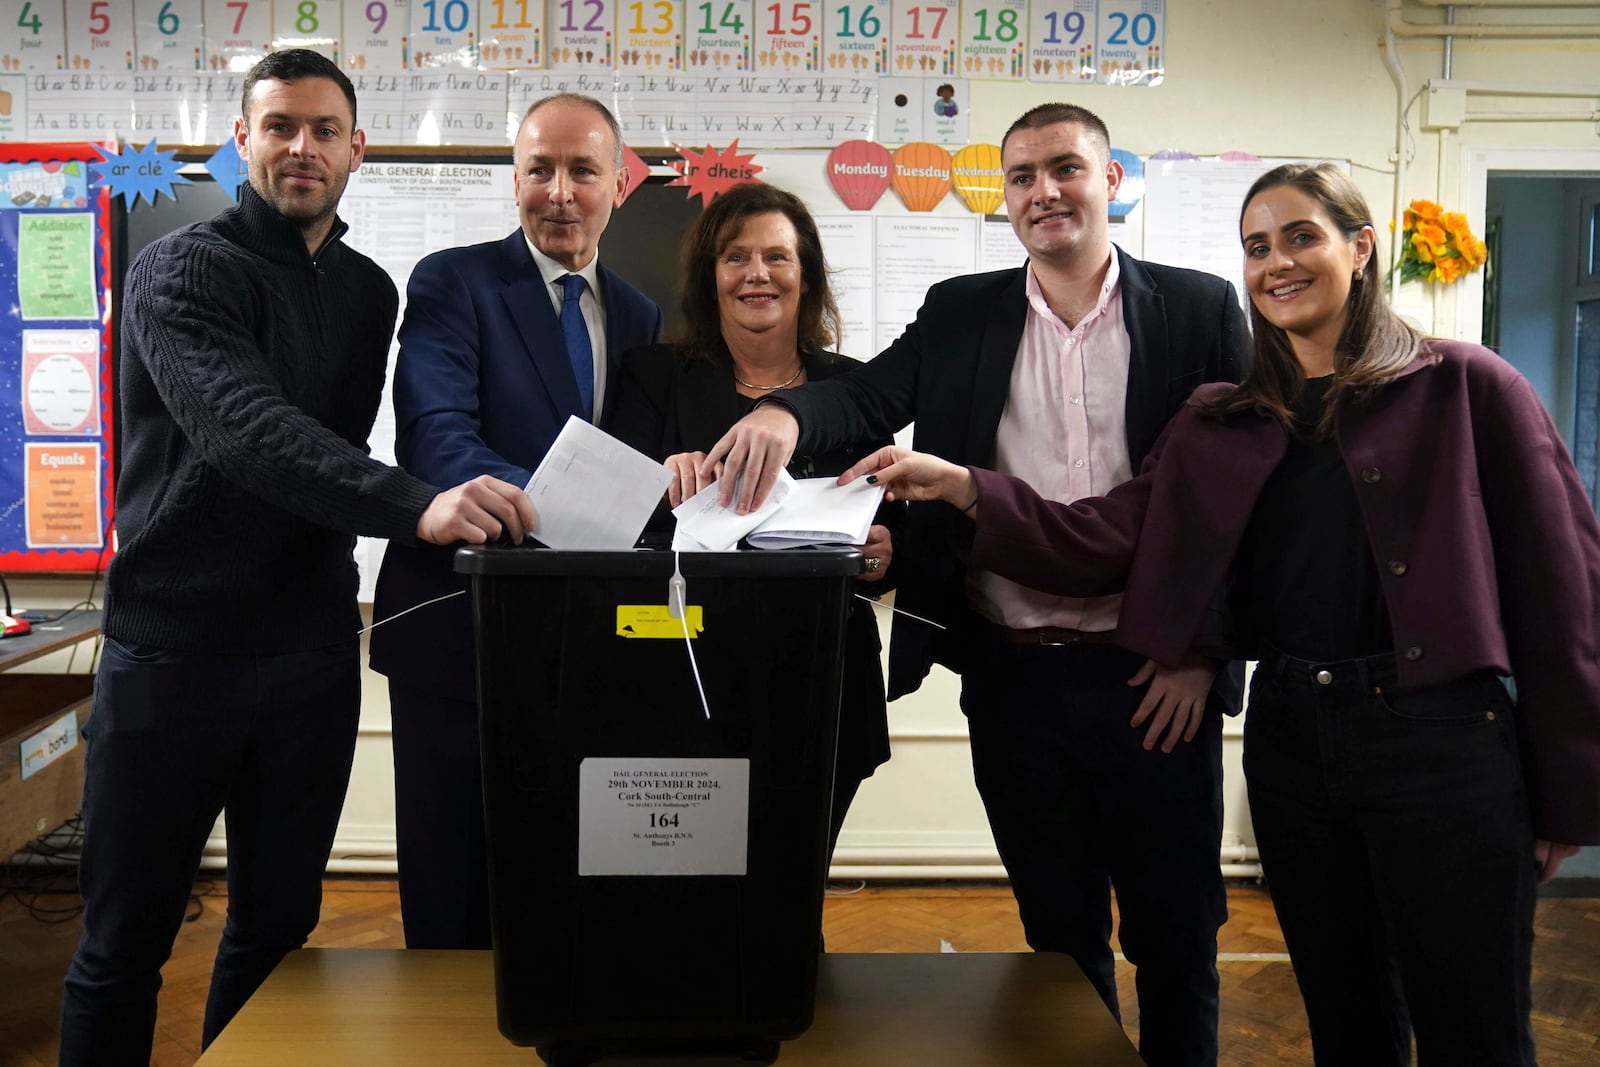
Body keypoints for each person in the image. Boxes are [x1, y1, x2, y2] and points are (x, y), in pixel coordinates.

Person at [847, 162, 1600, 1066]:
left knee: (1473, 1027)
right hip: (1293, 747)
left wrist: (1566, 787)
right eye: (1256, 246)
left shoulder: (1468, 387)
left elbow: (1565, 594)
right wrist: (965, 487)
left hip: (1443, 744)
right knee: (1346, 1019)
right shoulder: (1224, 416)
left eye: (1300, 236)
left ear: (1361, 248)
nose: (1275, 263)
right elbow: (1100, 540)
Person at [699, 104, 1248, 1066]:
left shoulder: (1199, 311)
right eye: (1023, 176)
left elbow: (1239, 503)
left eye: (1064, 169)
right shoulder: (963, 311)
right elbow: (867, 395)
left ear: (1109, 178)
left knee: (1176, 939)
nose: (1044, 193)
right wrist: (786, 414)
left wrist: (1202, 653)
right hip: (1015, 680)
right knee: (1059, 941)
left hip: (1155, 679)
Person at [58, 50, 536, 1064]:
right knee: (122, 944)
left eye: (323, 129)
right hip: (172, 660)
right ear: (242, 143)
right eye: (278, 127)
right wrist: (418, 504)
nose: (301, 147)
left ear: (356, 149)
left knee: (276, 932)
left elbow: (332, 452)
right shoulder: (179, 269)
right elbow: (247, 431)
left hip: (310, 658)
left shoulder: (368, 293)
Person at [369, 94, 663, 950]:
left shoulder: (641, 315)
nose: (560, 192)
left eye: (582, 170)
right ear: (516, 181)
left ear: (619, 182)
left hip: (584, 644)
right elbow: (437, 436)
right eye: (540, 169)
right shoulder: (452, 280)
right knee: (450, 882)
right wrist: (575, 509)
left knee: (561, 880)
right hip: (459, 631)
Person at [610, 182, 896, 855]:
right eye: (735, 257)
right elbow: (615, 513)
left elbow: (891, 530)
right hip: (682, 673)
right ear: (711, 278)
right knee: (693, 886)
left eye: (777, 257)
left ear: (808, 276)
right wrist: (661, 480)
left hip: (821, 679)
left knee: (793, 883)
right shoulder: (654, 376)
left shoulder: (854, 387)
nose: (757, 274)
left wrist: (886, 550)